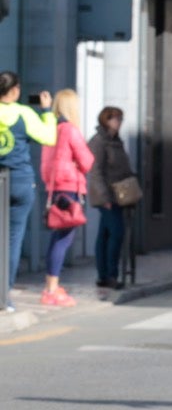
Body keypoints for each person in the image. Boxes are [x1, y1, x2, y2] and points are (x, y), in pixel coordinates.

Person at [0, 72, 57, 292]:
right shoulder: (24, 113)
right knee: (13, 239)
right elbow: (48, 138)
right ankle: (4, 294)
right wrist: (46, 112)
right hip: (19, 182)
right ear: (15, 91)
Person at [39, 90, 93, 307]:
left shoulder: (51, 129)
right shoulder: (71, 130)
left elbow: (45, 163)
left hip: (55, 188)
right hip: (69, 187)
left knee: (57, 238)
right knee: (64, 239)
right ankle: (51, 290)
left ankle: (51, 285)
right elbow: (87, 161)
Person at [87, 106, 135, 290]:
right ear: (105, 120)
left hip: (120, 194)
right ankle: (110, 275)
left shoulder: (117, 141)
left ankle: (104, 275)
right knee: (116, 233)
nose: (119, 122)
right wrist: (103, 197)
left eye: (121, 118)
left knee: (105, 235)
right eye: (115, 118)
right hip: (106, 195)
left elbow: (123, 166)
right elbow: (96, 171)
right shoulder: (99, 142)